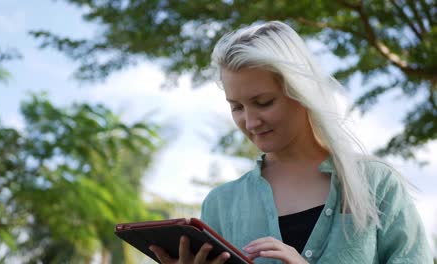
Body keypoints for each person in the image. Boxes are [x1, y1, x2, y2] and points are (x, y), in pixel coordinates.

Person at [150, 21, 433, 264]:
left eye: (263, 102)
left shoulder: (375, 184)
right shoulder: (221, 205)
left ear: (301, 92)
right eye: (236, 107)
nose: (250, 122)